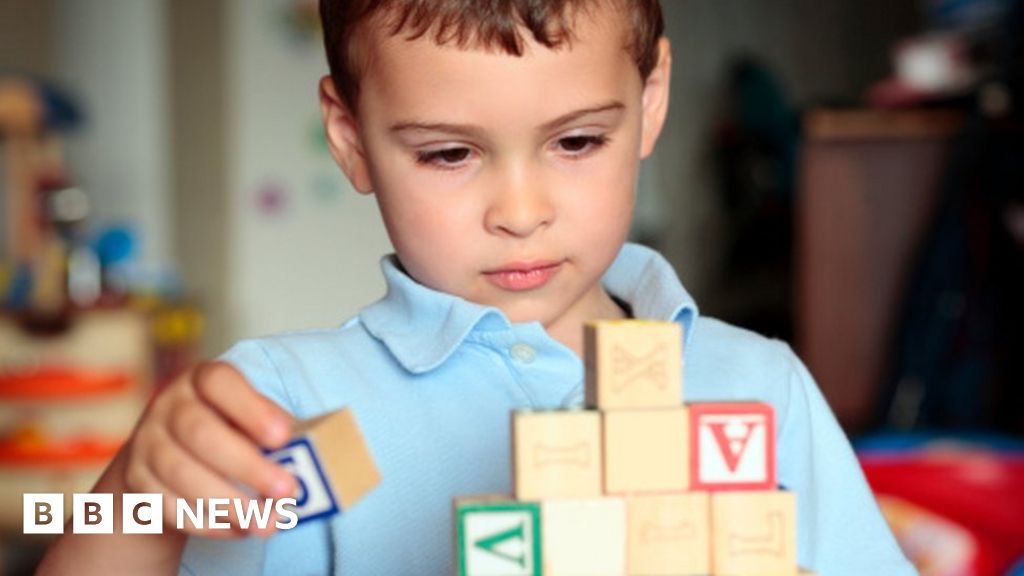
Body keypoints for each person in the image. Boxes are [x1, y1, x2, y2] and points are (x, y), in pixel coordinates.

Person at [39, 1, 917, 574]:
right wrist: (135, 499)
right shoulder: (283, 406)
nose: (522, 211)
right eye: (450, 154)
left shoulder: (762, 390)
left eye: (576, 143)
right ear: (349, 139)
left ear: (649, 102)